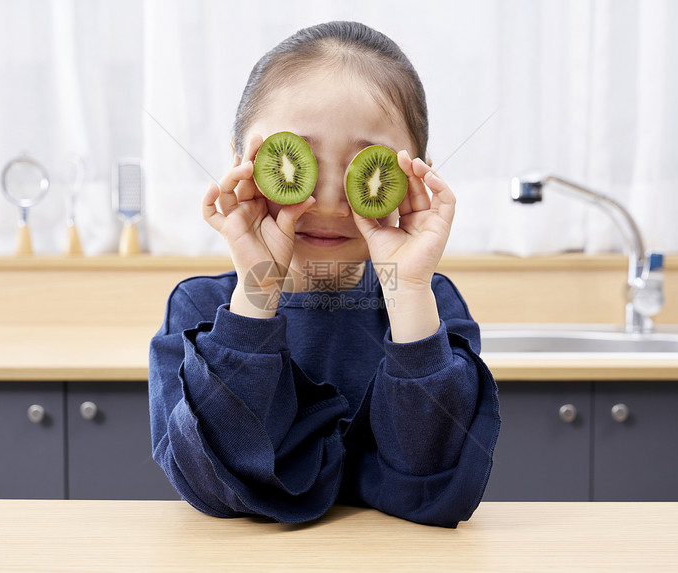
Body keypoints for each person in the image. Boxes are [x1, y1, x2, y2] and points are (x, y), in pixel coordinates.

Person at [148, 21, 500, 528]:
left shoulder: (431, 305)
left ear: (416, 175)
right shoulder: (199, 311)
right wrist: (256, 291)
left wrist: (409, 295)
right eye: (296, 162)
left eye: (366, 167)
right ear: (239, 161)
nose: (332, 201)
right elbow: (213, 487)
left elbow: (431, 485)